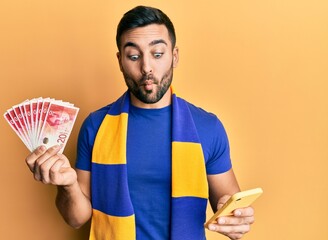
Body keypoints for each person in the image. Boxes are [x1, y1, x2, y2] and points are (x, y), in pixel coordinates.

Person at [25, 5, 255, 240]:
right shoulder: (96, 126)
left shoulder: (208, 127)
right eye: (134, 56)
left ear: (174, 57)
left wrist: (234, 218)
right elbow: (76, 219)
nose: (146, 67)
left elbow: (228, 204)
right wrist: (68, 185)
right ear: (120, 61)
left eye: (157, 54)